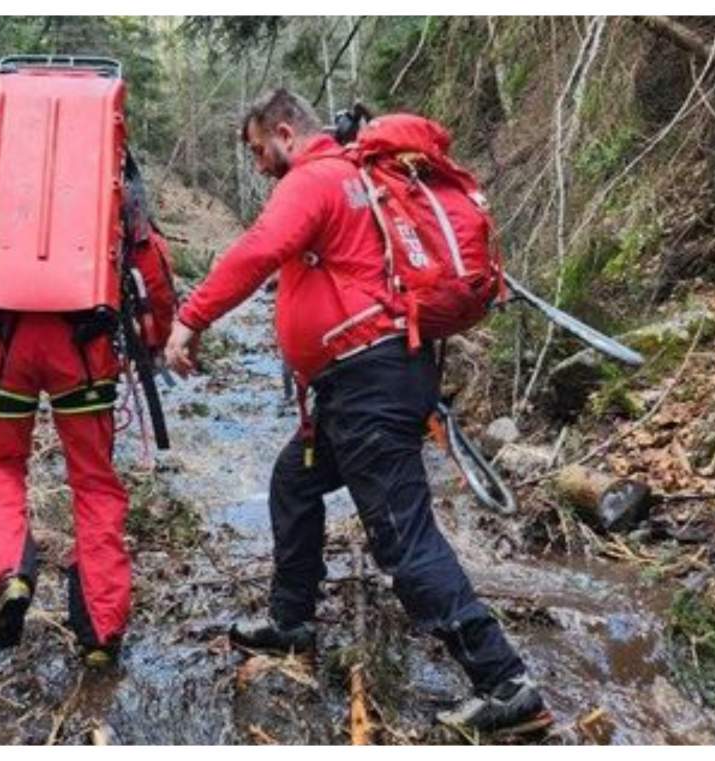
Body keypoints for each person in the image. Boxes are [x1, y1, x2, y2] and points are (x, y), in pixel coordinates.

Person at [164, 88, 549, 735]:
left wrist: (190, 317)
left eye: (260, 151)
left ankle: (503, 680)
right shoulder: (354, 179)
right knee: (295, 481)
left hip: (369, 384)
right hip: (363, 386)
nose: (260, 166)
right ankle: (291, 623)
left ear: (285, 132)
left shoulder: (316, 179)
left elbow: (259, 249)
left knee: (401, 532)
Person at [0, 161, 176, 667]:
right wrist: (156, 340)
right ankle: (100, 627)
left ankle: (8, 574)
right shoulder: (110, 174)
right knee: (94, 481)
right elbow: (151, 265)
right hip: (86, 344)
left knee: (2, 466)